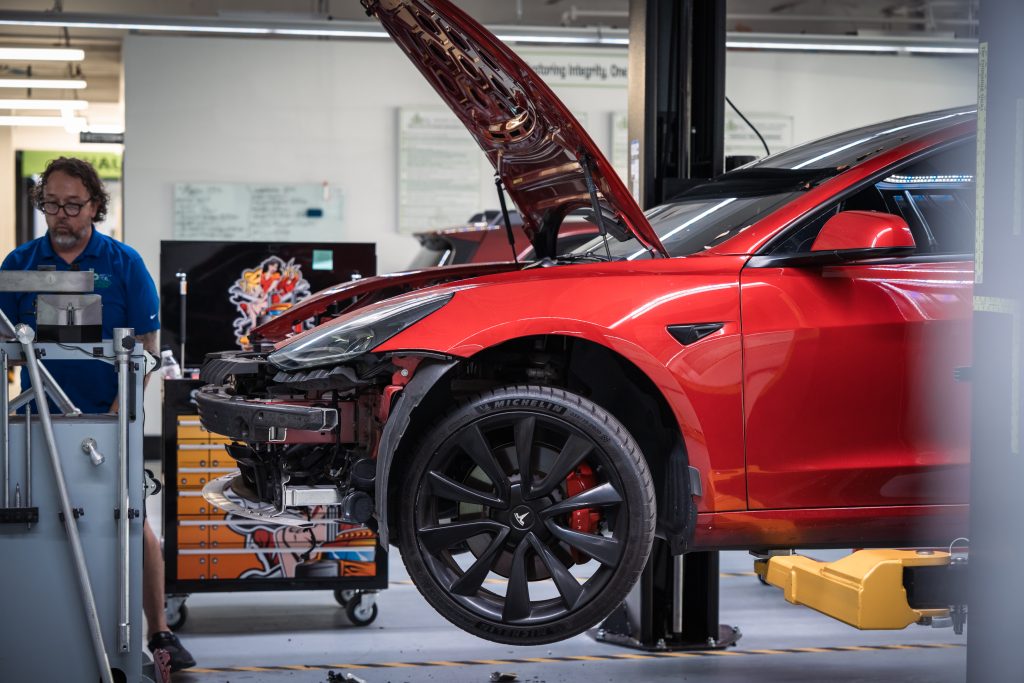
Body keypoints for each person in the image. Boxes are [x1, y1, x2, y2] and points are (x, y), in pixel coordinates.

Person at [0, 157, 196, 672]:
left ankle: (159, 631)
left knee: (131, 519)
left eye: (72, 205)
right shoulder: (19, 264)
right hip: (36, 420)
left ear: (95, 207)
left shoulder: (124, 264)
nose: (61, 216)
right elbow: (4, 345)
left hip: (111, 418)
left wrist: (121, 411)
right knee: (39, 521)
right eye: (51, 204)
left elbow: (148, 346)